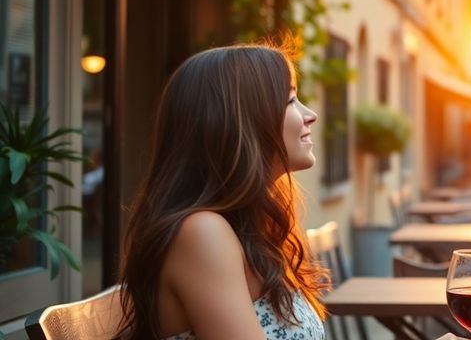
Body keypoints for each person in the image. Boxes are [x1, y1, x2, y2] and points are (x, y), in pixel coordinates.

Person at [118, 44, 328, 339]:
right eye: (290, 100)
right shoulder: (201, 233)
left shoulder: (249, 227)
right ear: (242, 121)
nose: (311, 115)